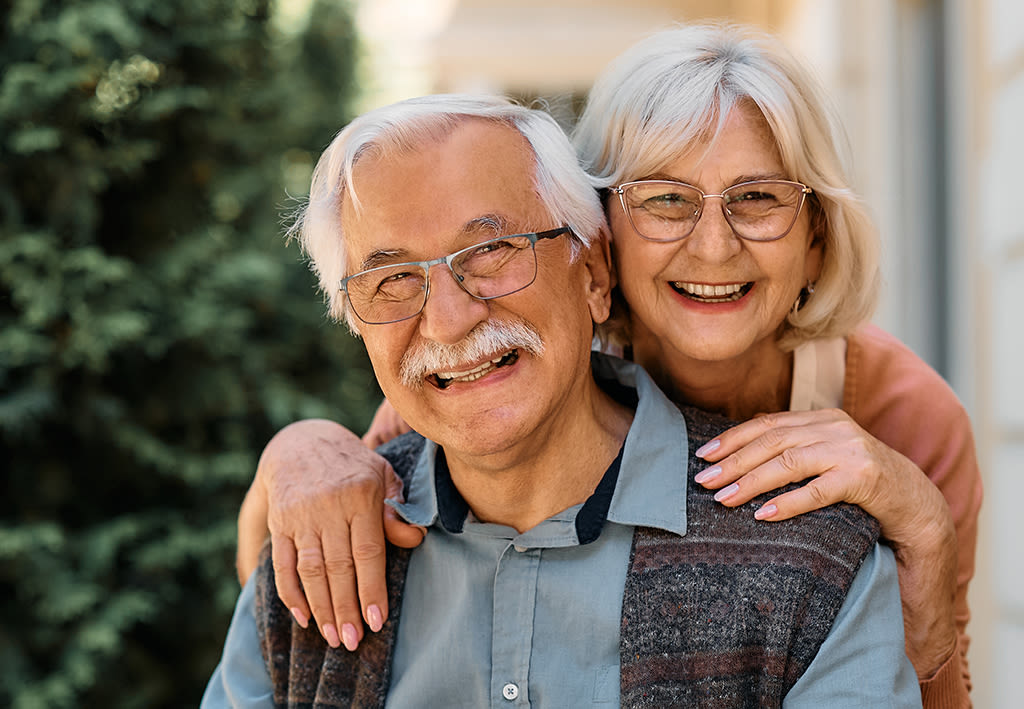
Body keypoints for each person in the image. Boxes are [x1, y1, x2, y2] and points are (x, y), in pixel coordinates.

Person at [237, 23, 982, 707]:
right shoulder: (495, 376)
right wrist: (295, 450)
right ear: (603, 240)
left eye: (758, 198)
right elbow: (297, 561)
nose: (713, 246)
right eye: (664, 199)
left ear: (816, 237)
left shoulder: (903, 417)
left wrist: (922, 525)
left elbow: (927, 674)